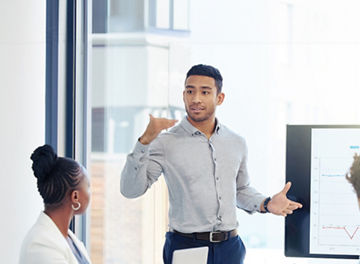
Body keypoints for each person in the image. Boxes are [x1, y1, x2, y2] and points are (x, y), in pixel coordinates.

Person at [120, 64, 302, 264]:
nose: (196, 98)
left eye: (205, 92)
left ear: (219, 98)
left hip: (230, 247)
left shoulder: (236, 142)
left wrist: (266, 203)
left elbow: (240, 190)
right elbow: (130, 190)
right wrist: (144, 141)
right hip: (186, 246)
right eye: (190, 91)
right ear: (183, 95)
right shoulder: (165, 142)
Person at [19, 145, 91, 264]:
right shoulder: (41, 245)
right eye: (88, 186)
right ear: (75, 196)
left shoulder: (69, 239)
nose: (90, 193)